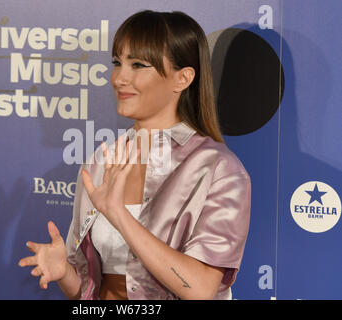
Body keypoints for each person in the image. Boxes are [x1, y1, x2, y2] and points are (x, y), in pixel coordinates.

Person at [19, 10, 251, 300]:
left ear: (183, 78)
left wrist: (119, 215)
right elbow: (88, 292)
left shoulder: (217, 168)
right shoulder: (101, 160)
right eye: (118, 63)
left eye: (138, 65)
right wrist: (64, 273)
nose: (119, 78)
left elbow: (201, 289)